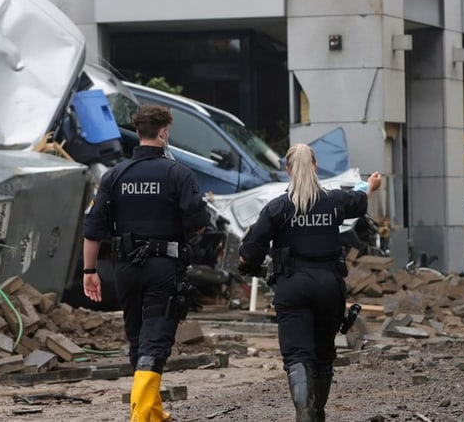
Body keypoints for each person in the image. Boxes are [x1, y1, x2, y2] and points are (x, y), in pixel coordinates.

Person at [82, 104, 210, 422]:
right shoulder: (177, 174)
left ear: (139, 133)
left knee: (137, 336)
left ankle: (151, 412)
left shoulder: (115, 175)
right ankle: (140, 417)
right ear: (164, 132)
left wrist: (89, 271)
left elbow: (93, 227)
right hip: (163, 267)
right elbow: (197, 222)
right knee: (157, 337)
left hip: (125, 268)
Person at [238, 143, 381, 422]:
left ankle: (305, 413)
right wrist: (371, 184)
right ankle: (317, 413)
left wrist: (250, 265)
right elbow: (359, 199)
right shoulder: (333, 201)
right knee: (323, 354)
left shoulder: (278, 207)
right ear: (315, 166)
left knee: (297, 355)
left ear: (288, 169)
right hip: (329, 286)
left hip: (292, 287)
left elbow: (251, 248)